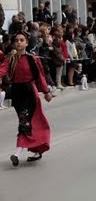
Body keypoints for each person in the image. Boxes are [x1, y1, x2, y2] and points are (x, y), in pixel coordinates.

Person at [0, 31, 52, 167]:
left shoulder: (33, 58)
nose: (19, 42)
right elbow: (2, 70)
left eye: (22, 40)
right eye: (16, 40)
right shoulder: (10, 58)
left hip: (30, 92)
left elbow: (40, 76)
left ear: (27, 43)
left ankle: (17, 153)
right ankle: (36, 150)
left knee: (27, 122)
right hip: (17, 92)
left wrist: (46, 91)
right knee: (26, 121)